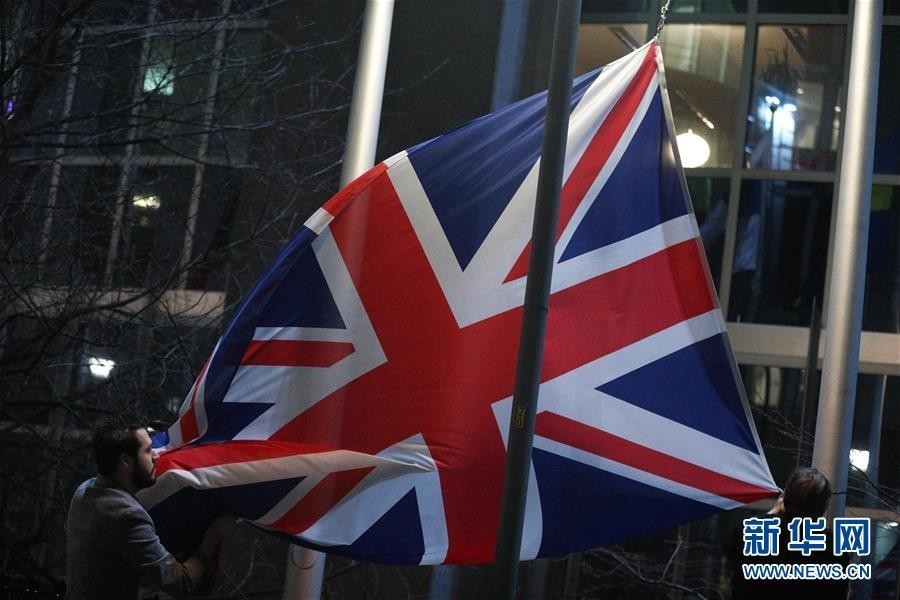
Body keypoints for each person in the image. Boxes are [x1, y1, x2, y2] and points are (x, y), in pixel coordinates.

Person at [65, 416, 234, 599]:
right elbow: (180, 582)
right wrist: (212, 539)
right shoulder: (127, 516)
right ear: (125, 462)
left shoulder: (85, 490)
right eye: (147, 450)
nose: (156, 456)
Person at [729, 467, 849, 600]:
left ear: (785, 500)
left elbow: (731, 548)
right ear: (823, 508)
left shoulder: (757, 535)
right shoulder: (834, 549)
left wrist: (771, 513)